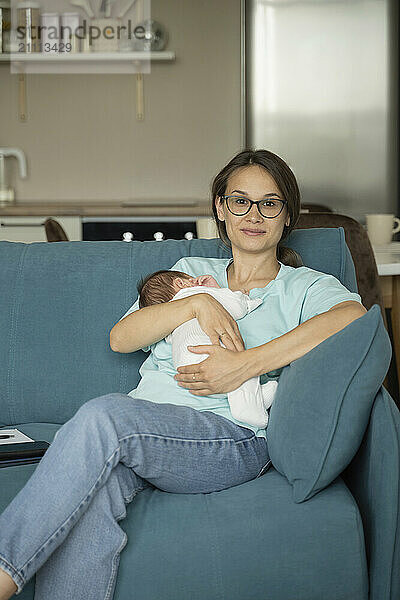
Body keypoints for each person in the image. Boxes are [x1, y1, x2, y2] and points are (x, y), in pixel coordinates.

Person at [0, 148, 366, 600]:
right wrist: (195, 303)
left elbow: (352, 316)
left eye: (270, 203)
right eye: (240, 201)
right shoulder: (191, 274)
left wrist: (248, 363)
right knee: (90, 500)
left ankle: (3, 571)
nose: (254, 215)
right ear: (221, 208)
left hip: (230, 438)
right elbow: (122, 338)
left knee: (103, 416)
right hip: (149, 427)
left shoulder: (302, 285)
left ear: (286, 215)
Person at [136, 268, 278, 427]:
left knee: (222, 379)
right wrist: (245, 299)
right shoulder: (196, 295)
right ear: (181, 283)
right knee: (237, 363)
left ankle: (252, 398)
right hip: (206, 352)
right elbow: (235, 308)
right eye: (191, 279)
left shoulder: (169, 320)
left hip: (183, 363)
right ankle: (247, 406)